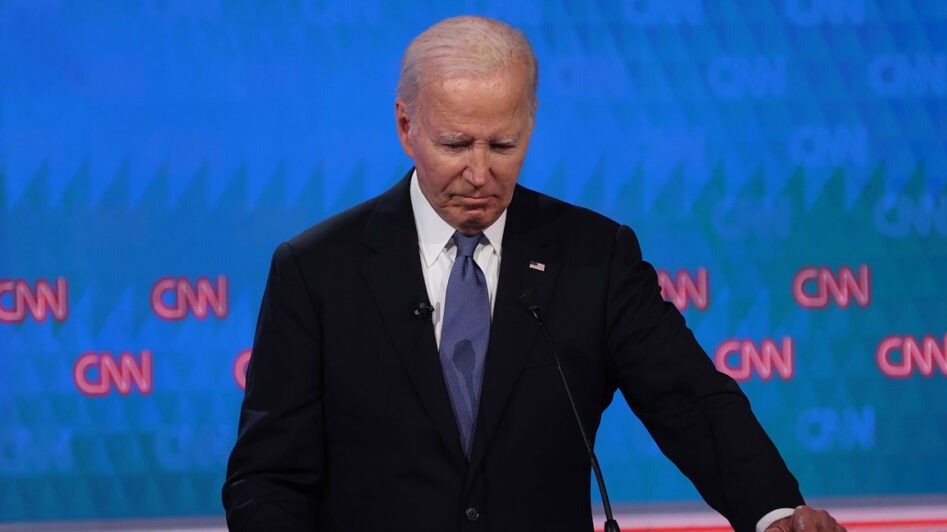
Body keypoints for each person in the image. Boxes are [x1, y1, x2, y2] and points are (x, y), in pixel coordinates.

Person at [223, 15, 845, 532]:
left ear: (532, 122)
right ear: (406, 127)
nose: (479, 173)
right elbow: (268, 478)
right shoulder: (317, 271)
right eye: (456, 145)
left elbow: (691, 401)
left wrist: (775, 512)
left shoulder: (594, 258)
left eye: (502, 146)